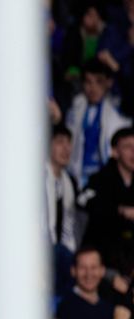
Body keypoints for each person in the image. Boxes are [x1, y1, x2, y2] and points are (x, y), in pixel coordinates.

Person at [77, 127, 134, 278]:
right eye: (128, 147)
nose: (133, 152)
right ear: (115, 152)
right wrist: (119, 210)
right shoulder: (100, 179)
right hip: (103, 258)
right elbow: (82, 202)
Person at [66, 60, 131, 187]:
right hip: (77, 177)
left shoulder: (118, 113)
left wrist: (117, 68)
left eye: (98, 82)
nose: (93, 88)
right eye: (88, 82)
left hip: (107, 181)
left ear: (108, 83)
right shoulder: (75, 109)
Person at [46, 124, 82, 254]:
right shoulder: (35, 180)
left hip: (61, 250)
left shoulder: (70, 181)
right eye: (60, 142)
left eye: (69, 143)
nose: (66, 148)